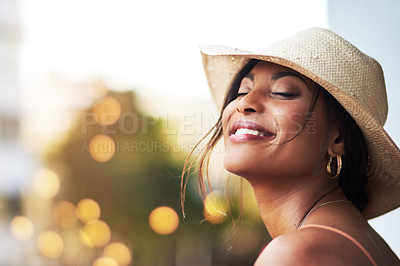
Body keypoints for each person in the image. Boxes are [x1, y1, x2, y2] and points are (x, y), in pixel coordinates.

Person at [183, 28, 400, 265]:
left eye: (282, 92)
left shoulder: (296, 253)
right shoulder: (361, 242)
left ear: (339, 140)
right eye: (242, 90)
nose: (245, 102)